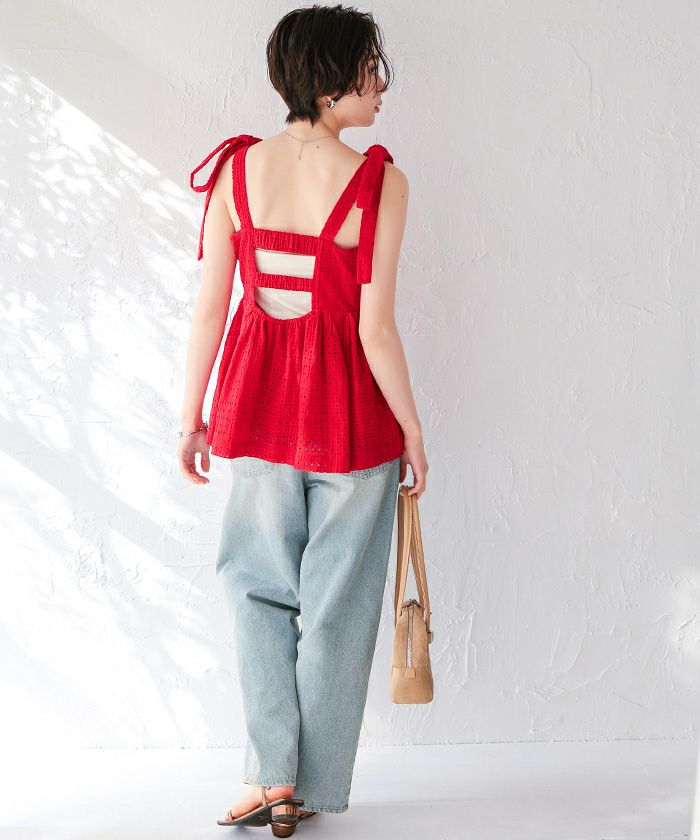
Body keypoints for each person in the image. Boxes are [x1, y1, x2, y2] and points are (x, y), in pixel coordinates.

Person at [179, 3, 428, 831]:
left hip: (255, 409)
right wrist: (413, 431)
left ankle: (270, 776)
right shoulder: (379, 182)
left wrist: (192, 417)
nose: (381, 85)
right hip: (351, 418)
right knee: (336, 608)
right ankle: (309, 790)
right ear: (329, 85)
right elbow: (375, 329)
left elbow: (210, 310)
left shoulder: (235, 172)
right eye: (369, 69)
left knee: (255, 588)